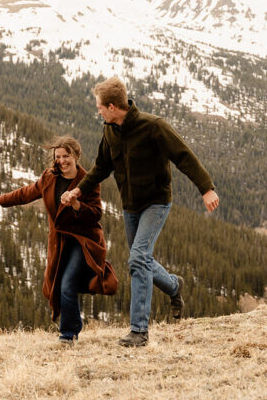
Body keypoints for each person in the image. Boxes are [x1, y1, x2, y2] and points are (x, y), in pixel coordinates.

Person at [61, 77, 219, 348]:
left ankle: (139, 331)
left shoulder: (153, 127)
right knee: (141, 259)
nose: (98, 111)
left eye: (100, 107)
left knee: (137, 259)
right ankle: (174, 286)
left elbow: (183, 155)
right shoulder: (109, 130)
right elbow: (101, 167)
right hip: (130, 205)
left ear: (112, 106)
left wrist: (207, 188)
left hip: (156, 202)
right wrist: (78, 190)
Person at [0, 135, 118, 344]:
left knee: (66, 285)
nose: (62, 161)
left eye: (66, 156)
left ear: (76, 156)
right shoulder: (49, 177)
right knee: (55, 285)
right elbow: (26, 193)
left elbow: (96, 215)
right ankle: (70, 330)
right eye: (58, 156)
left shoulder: (87, 180)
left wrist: (76, 205)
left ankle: (68, 334)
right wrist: (0, 199)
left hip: (83, 242)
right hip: (59, 243)